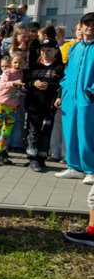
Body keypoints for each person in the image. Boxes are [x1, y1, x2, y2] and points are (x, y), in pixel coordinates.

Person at [55, 12, 94, 184]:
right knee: (70, 131)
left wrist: (91, 91)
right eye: (87, 23)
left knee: (87, 133)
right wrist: (63, 90)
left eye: (93, 24)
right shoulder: (74, 47)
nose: (90, 26)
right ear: (81, 25)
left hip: (88, 97)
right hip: (70, 96)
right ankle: (74, 167)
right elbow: (67, 71)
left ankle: (90, 170)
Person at [25, 40, 64, 172]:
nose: (45, 53)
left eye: (49, 50)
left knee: (46, 132)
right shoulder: (34, 66)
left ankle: (42, 157)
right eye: (43, 50)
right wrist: (34, 83)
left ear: (56, 51)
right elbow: (25, 83)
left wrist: (50, 86)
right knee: (33, 131)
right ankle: (32, 158)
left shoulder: (60, 67)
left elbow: (62, 86)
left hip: (49, 105)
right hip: (34, 105)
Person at [0, 53, 27, 166]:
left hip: (12, 106)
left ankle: (0, 152)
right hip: (1, 105)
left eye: (20, 62)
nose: (17, 65)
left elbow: (20, 91)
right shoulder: (7, 72)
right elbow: (2, 84)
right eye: (15, 62)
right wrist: (13, 83)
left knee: (6, 131)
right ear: (11, 63)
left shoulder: (22, 74)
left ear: (25, 63)